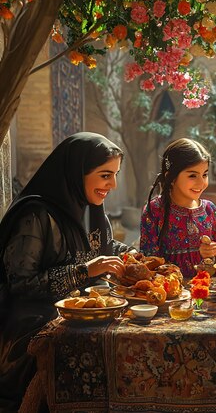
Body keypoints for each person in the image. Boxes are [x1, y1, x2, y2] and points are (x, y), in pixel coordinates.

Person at [0, 132, 128, 412]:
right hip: (31, 326)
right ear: (77, 172)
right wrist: (83, 273)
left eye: (115, 174)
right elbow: (22, 283)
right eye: (105, 175)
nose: (113, 185)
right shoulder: (35, 215)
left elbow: (102, 247)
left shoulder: (91, 209)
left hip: (80, 314)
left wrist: (130, 256)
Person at [140, 138, 216, 278]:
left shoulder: (210, 210)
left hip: (206, 290)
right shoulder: (155, 210)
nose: (201, 182)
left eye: (204, 174)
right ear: (171, 177)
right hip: (170, 293)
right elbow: (148, 260)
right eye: (192, 175)